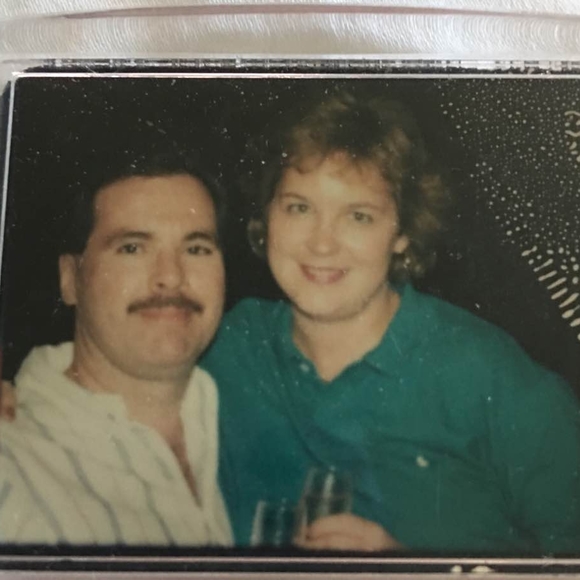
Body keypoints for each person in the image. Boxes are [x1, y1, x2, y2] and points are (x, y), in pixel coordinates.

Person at [202, 90, 580, 553]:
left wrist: (408, 569)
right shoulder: (227, 346)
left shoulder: (483, 372)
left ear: (402, 233)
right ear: (267, 217)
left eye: (358, 217)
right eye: (299, 207)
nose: (322, 243)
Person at [0, 152, 232, 545]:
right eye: (132, 248)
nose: (170, 277)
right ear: (70, 279)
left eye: (196, 248)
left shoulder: (243, 412)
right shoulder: (13, 467)